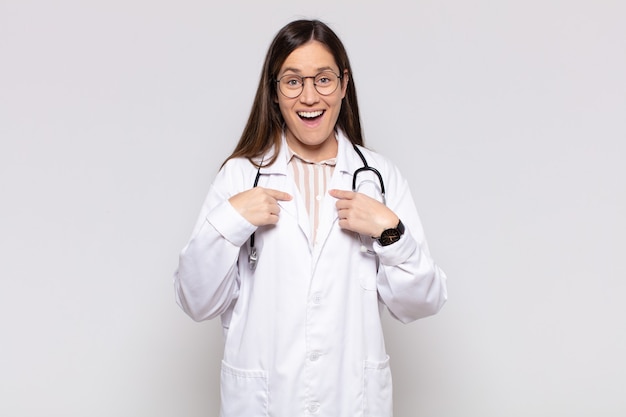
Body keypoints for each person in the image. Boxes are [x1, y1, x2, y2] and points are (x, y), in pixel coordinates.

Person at [174, 19, 447, 417]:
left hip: (351, 401)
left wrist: (390, 233)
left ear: (343, 83)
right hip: (267, 403)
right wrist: (230, 220)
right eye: (292, 81)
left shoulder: (379, 179)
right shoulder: (240, 176)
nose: (309, 97)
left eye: (323, 79)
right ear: (274, 91)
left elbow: (422, 301)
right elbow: (195, 300)